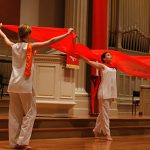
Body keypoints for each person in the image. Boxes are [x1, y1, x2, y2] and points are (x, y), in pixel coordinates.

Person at [0, 23, 73, 149]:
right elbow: (51, 41)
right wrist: (67, 34)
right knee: (30, 112)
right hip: (24, 85)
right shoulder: (31, 46)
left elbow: (5, 38)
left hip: (13, 85)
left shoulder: (14, 46)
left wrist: (0, 29)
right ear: (28, 35)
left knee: (14, 114)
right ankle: (22, 142)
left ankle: (13, 142)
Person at [80, 52, 117, 141]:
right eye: (108, 55)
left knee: (102, 114)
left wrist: (113, 94)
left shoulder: (114, 67)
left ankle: (96, 130)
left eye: (110, 55)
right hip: (103, 92)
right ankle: (108, 134)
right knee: (105, 114)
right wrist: (81, 56)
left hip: (110, 93)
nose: (110, 56)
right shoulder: (102, 66)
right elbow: (90, 62)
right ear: (104, 58)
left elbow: (113, 82)